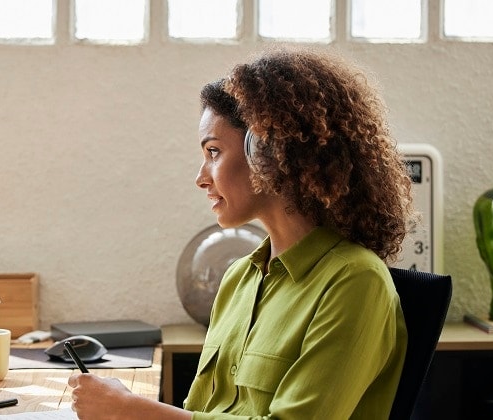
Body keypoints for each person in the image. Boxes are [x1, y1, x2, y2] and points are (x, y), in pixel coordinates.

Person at [68, 46, 413, 418]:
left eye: (214, 151)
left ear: (269, 150)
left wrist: (130, 411)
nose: (201, 178)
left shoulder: (355, 281)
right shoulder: (238, 280)